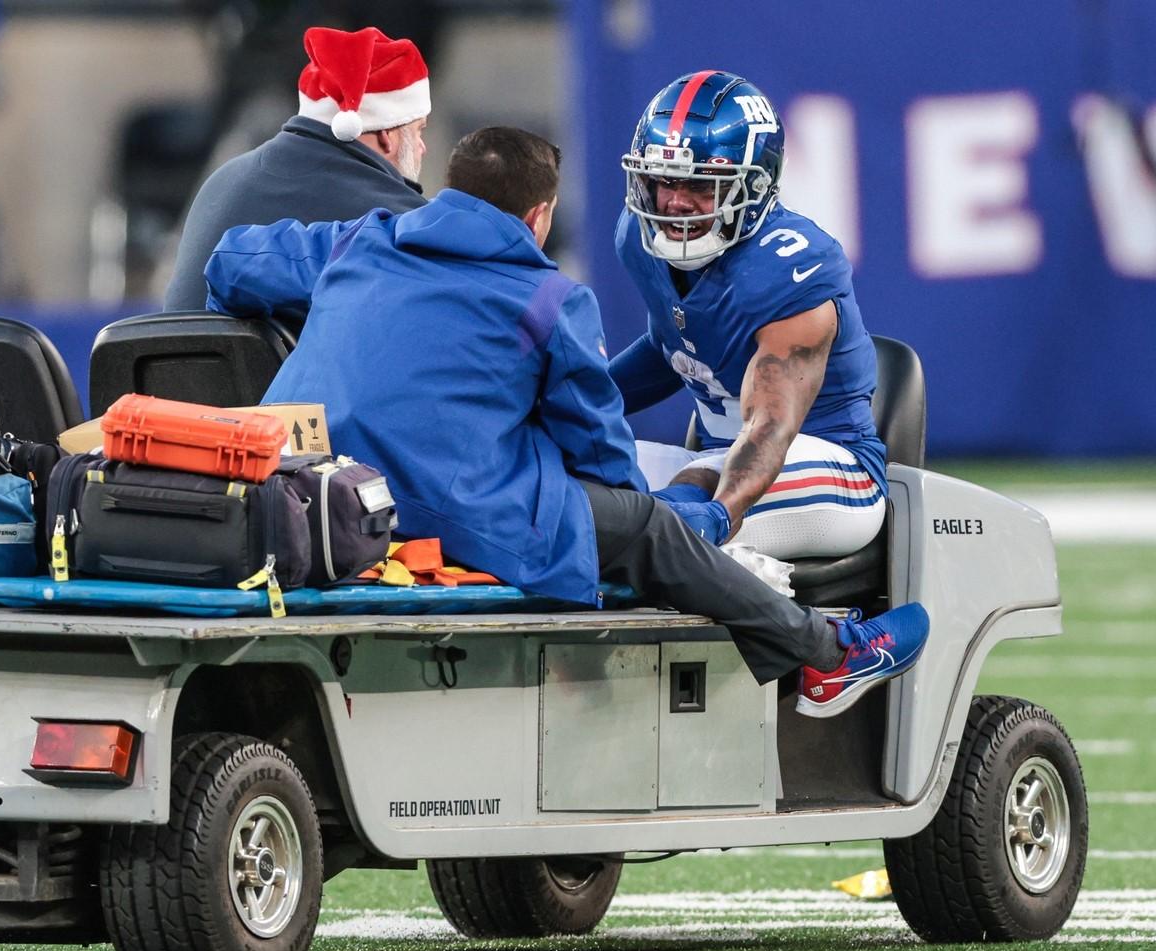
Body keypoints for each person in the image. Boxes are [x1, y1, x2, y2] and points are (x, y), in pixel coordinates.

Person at [204, 126, 929, 718]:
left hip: (315, 489)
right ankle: (826, 652)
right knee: (645, 526)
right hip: (446, 514)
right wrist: (658, 520)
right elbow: (600, 454)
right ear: (538, 218)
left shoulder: (358, 240)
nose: (674, 204)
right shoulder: (549, 298)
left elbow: (229, 264)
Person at [608, 70, 886, 561]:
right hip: (710, 460)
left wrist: (719, 515)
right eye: (661, 181)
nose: (673, 203)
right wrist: (568, 406)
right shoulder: (640, 240)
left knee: (681, 508)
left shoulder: (789, 266)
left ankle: (852, 639)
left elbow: (771, 425)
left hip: (828, 466)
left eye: (699, 186)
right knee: (563, 471)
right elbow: (670, 352)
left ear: (753, 187)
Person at [162, 25, 431, 313]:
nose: (422, 147)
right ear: (386, 136)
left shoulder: (223, 178)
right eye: (417, 131)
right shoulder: (397, 221)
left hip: (164, 357)